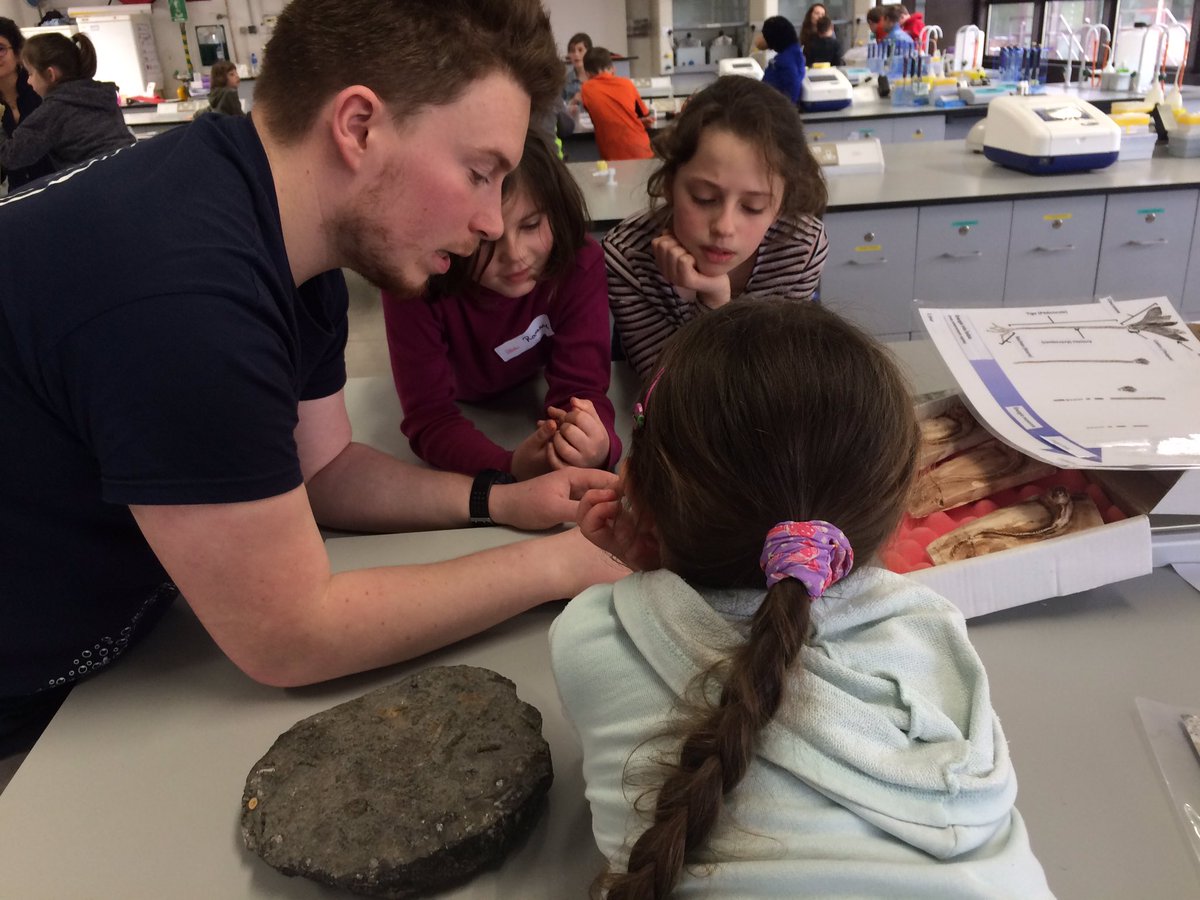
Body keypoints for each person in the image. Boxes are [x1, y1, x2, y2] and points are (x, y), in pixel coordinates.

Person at [0, 0, 627, 750]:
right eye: (479, 173)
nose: (494, 221)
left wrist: (505, 500)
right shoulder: (188, 297)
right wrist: (558, 563)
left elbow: (323, 470)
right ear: (358, 126)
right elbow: (289, 635)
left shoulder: (290, 235)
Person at [550, 300, 1054, 899]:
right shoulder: (927, 626)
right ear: (890, 521)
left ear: (635, 491)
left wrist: (654, 570)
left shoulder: (589, 634)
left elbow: (682, 636)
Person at [382, 130, 620, 479]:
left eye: (532, 224)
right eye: (485, 238)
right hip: (465, 405)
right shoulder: (416, 281)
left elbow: (582, 389)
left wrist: (597, 447)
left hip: (525, 397)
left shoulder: (579, 262)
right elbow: (430, 417)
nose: (515, 255)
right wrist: (508, 468)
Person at [602, 76, 828, 380]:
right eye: (703, 198)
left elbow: (772, 384)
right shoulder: (627, 257)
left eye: (753, 207)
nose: (724, 227)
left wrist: (716, 299)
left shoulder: (800, 248)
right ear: (669, 186)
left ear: (780, 207)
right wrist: (713, 303)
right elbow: (669, 392)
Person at [0, 33, 134, 179]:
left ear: (50, 75)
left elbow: (11, 156)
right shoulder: (102, 95)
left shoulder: (54, 109)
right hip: (131, 170)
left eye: (31, 74)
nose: (29, 81)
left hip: (99, 182)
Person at [0, 17, 53, 191]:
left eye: (0, 49)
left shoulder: (41, 88)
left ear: (17, 53)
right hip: (20, 196)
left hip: (58, 184)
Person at [579, 47, 653, 161]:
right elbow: (646, 115)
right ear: (612, 68)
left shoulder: (586, 89)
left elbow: (601, 118)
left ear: (587, 74)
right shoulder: (627, 84)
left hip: (613, 155)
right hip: (641, 150)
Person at [755, 15, 806, 104]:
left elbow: (792, 88)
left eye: (765, 36)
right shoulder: (793, 54)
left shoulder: (786, 60)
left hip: (775, 109)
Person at [562, 31, 591, 112]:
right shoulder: (565, 80)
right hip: (574, 122)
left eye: (580, 50)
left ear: (589, 52)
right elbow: (558, 109)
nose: (576, 54)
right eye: (572, 51)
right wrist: (573, 101)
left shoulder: (597, 77)